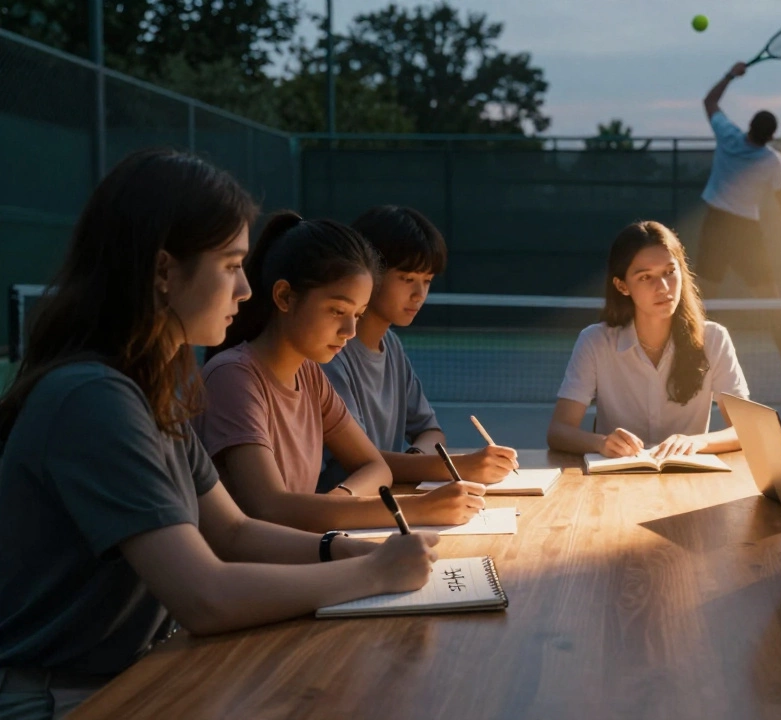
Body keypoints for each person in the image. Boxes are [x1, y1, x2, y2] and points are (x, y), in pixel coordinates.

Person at [0, 150, 436, 720]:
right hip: (66, 697)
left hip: (135, 672)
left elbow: (232, 532)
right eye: (231, 265)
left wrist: (343, 549)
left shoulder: (152, 386)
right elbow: (205, 595)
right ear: (163, 272)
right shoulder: (94, 399)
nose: (245, 291)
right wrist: (372, 572)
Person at [196, 212, 485, 533]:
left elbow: (375, 466)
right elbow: (270, 506)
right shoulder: (233, 377)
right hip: (258, 573)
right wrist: (418, 508)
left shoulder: (309, 374)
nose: (349, 330)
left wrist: (340, 499)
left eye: (358, 314)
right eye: (337, 311)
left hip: (303, 553)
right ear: (284, 297)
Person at [318, 206, 517, 493]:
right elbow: (358, 461)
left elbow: (430, 431)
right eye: (408, 278)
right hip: (342, 514)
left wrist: (416, 459)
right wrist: (457, 466)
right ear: (367, 272)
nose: (419, 294)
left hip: (388, 499)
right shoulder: (331, 355)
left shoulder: (393, 348)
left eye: (427, 281)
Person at [548, 221, 748, 458]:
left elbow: (746, 430)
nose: (663, 287)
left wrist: (697, 442)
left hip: (688, 481)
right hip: (614, 481)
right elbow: (559, 432)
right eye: (645, 277)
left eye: (669, 272)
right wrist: (601, 443)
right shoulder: (595, 341)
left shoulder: (714, 338)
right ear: (622, 286)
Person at [698, 60, 781, 404]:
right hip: (745, 234)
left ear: (749, 126)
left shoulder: (728, 135)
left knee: (697, 306)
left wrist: (729, 74)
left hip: (716, 226)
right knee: (774, 305)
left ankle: (680, 371)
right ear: (770, 135)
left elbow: (709, 102)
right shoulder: (773, 161)